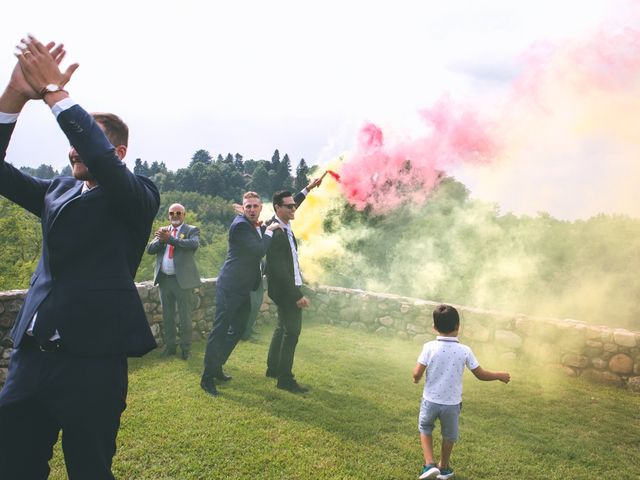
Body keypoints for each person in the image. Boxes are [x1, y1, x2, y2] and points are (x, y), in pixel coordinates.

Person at [0, 36, 159, 479]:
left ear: (119, 153)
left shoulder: (137, 194)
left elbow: (102, 163)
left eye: (83, 141)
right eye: (71, 141)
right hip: (31, 358)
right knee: (12, 463)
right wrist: (13, 97)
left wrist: (56, 95)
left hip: (93, 361)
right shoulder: (57, 190)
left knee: (89, 468)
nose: (72, 149)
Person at [412, 305, 511, 480]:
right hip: (452, 404)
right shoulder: (465, 350)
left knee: (426, 428)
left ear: (434, 327)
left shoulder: (429, 347)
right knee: (449, 435)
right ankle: (443, 468)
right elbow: (480, 374)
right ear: (458, 326)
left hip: (431, 401)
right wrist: (499, 375)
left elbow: (417, 372)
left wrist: (416, 378)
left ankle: (429, 464)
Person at [200, 191, 282, 396]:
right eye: (248, 207)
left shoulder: (253, 225)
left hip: (244, 288)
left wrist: (307, 189)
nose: (252, 210)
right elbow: (258, 251)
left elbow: (286, 207)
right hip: (230, 287)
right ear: (243, 208)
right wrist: (270, 231)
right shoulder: (240, 226)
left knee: (237, 330)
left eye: (255, 206)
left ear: (261, 207)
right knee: (219, 332)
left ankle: (217, 367)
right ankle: (206, 378)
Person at [265, 181, 322, 394]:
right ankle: (285, 379)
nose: (293, 208)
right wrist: (296, 295)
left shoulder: (282, 221)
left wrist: (308, 188)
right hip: (286, 290)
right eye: (288, 206)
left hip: (283, 290)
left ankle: (272, 368)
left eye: (293, 205)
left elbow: (294, 200)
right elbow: (279, 269)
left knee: (282, 328)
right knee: (292, 333)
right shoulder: (277, 232)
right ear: (277, 208)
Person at [147, 203, 201, 359]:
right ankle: (170, 348)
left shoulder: (191, 230)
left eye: (179, 213)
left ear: (184, 215)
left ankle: (186, 350)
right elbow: (150, 249)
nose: (175, 216)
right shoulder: (164, 230)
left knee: (185, 317)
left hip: (182, 281)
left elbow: (193, 244)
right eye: (172, 213)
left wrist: (171, 240)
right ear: (168, 215)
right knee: (167, 316)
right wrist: (161, 240)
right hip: (165, 280)